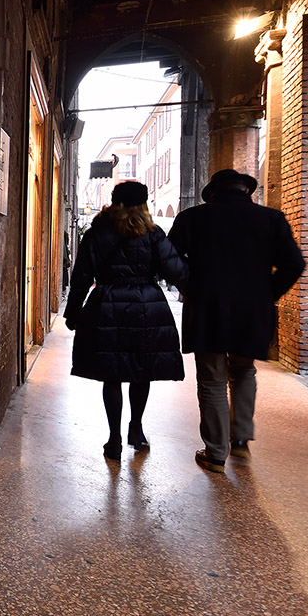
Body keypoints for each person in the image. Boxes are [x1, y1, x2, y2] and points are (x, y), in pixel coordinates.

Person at [168, 169, 305, 474]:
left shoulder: (192, 218)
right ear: (247, 190)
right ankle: (240, 438)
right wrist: (266, 292)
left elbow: (169, 259)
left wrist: (191, 284)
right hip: (252, 310)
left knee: (213, 378)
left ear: (213, 193)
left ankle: (216, 452)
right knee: (244, 371)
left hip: (207, 307)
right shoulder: (271, 219)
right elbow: (295, 264)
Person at [64, 180, 188, 460]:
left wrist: (73, 312)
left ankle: (113, 438)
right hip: (146, 305)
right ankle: (136, 428)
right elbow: (177, 272)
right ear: (143, 204)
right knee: (140, 371)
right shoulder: (153, 234)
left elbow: (82, 276)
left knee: (113, 374)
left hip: (106, 304)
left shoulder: (97, 233)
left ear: (114, 202)